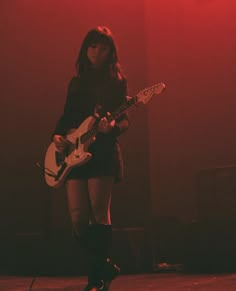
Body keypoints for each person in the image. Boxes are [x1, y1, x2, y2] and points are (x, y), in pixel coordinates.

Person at [52, 26, 129, 291]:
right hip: (75, 152)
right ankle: (104, 266)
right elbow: (66, 116)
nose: (98, 52)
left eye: (104, 48)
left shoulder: (117, 82)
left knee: (99, 212)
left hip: (102, 151)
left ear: (111, 53)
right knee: (77, 219)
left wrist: (113, 128)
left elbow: (125, 119)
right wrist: (58, 136)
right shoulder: (76, 82)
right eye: (93, 46)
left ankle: (95, 279)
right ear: (86, 50)